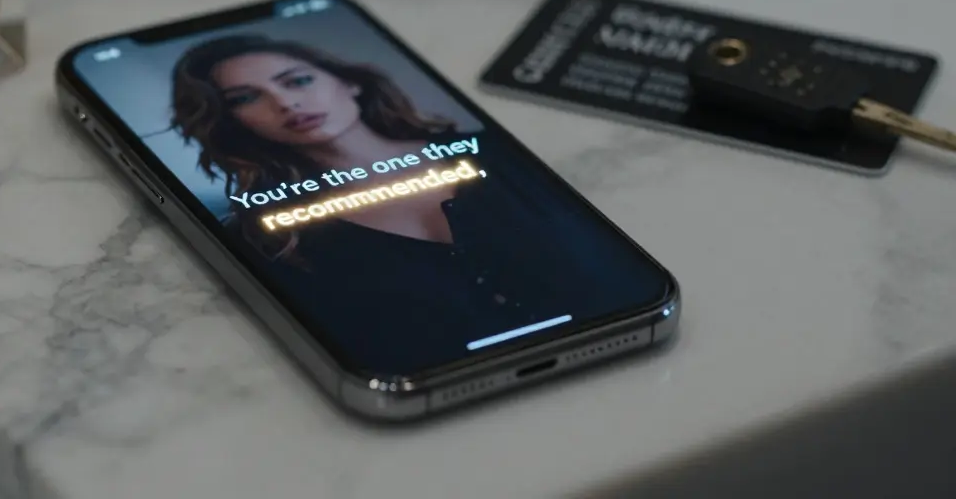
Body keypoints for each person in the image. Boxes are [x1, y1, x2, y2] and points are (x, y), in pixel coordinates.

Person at [169, 34, 665, 376]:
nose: (284, 103)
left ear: (349, 82)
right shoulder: (270, 232)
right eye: (244, 98)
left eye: (296, 80)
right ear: (233, 123)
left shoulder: (496, 154)